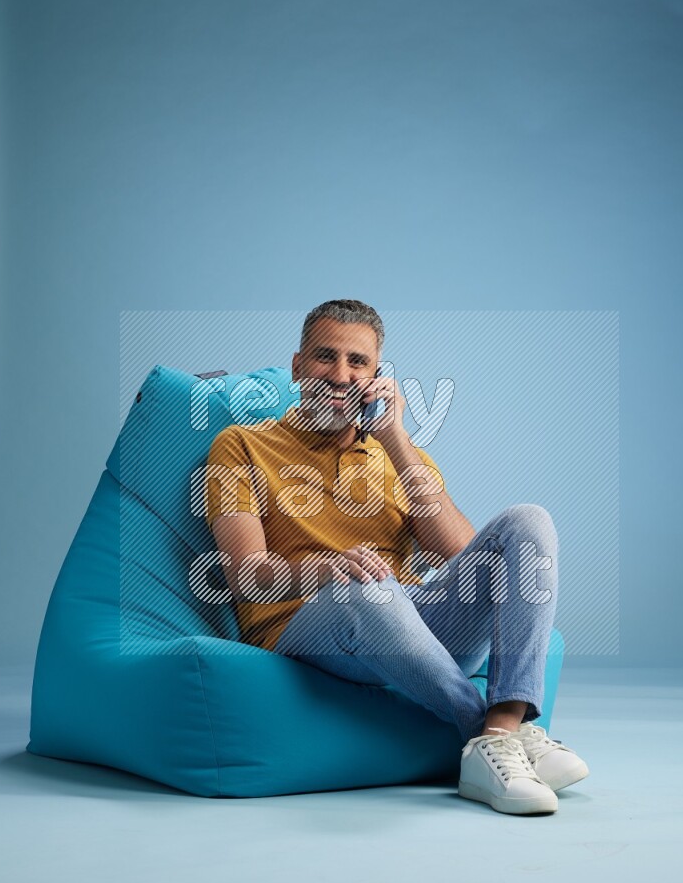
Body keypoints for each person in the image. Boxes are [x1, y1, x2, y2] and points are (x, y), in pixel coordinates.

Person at [204, 299, 589, 816]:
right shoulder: (242, 446)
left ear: (376, 374)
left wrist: (397, 440)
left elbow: (464, 557)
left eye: (357, 362)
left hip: (410, 624)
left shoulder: (399, 455)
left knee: (528, 521)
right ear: (297, 367)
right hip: (307, 627)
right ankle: (495, 732)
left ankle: (500, 732)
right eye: (325, 357)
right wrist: (325, 569)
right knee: (372, 591)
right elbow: (243, 576)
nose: (341, 375)